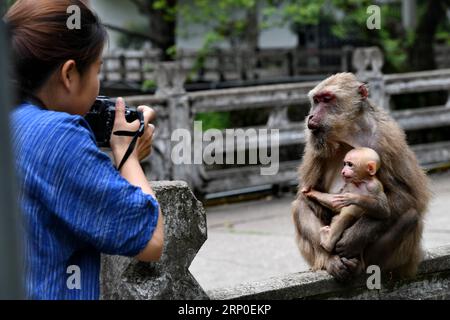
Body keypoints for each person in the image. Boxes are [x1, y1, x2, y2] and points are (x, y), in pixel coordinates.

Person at [5, 0, 164, 300]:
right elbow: (150, 237)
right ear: (69, 74)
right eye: (97, 69)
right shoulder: (57, 136)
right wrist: (126, 153)